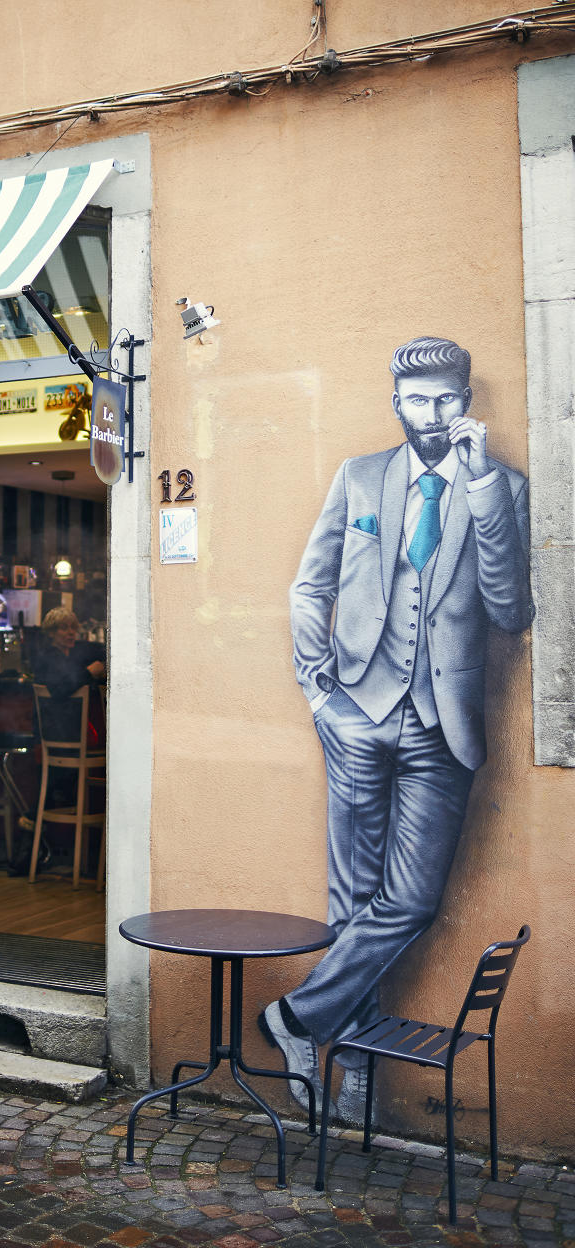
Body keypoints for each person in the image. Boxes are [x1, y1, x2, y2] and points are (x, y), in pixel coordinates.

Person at [259, 337, 532, 1124]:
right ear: (396, 404)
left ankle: (294, 1019)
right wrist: (320, 695)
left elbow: (511, 611)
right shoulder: (360, 477)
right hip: (355, 716)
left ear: (467, 401)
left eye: (448, 399)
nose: (434, 415)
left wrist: (481, 489)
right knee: (352, 905)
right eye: (419, 400)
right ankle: (356, 1083)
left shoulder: (499, 489)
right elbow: (309, 587)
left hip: (442, 729)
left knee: (407, 901)